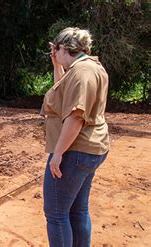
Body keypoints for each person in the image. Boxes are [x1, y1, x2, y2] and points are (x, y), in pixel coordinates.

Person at [41, 27, 110, 247]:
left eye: (56, 49)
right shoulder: (88, 68)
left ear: (63, 48)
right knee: (77, 210)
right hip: (90, 148)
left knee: (56, 213)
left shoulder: (81, 73)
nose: (54, 53)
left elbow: (75, 117)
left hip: (75, 150)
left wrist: (58, 154)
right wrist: (56, 66)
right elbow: (63, 93)